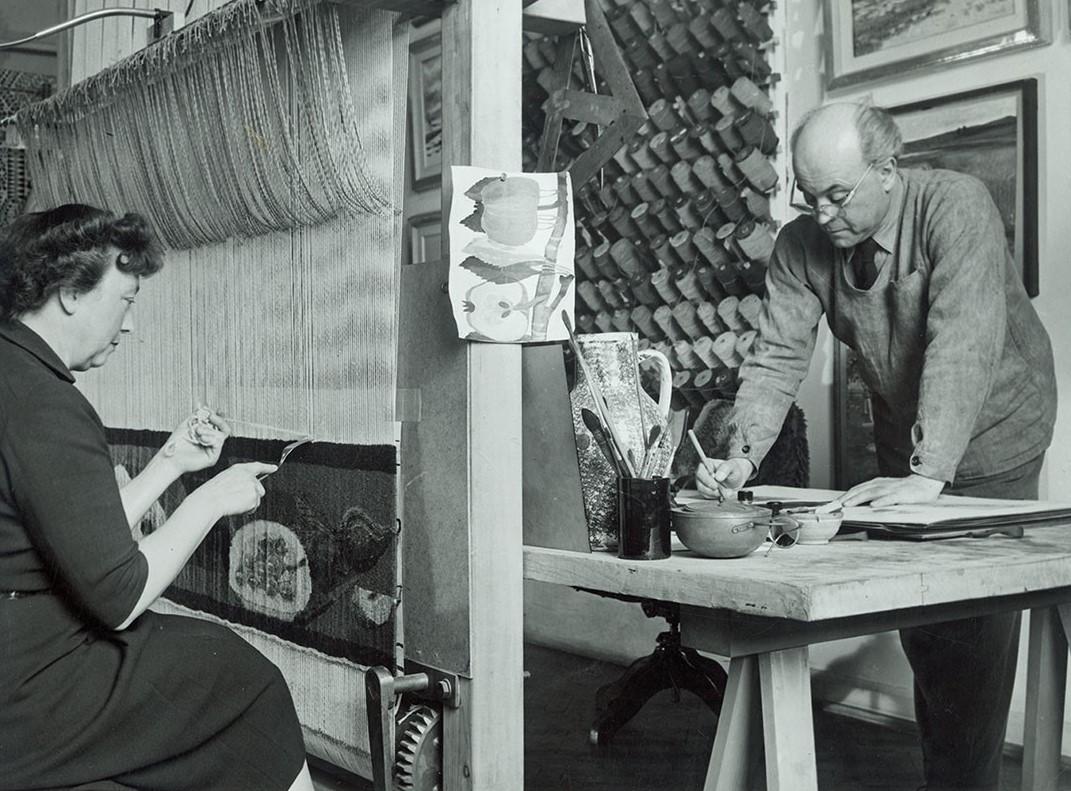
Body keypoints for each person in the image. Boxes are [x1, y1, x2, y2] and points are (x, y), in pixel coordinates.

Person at [695, 103, 1057, 791]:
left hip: (996, 429)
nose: (823, 213)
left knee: (972, 626)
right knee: (923, 621)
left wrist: (930, 473)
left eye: (838, 194)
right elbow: (776, 356)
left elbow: (962, 342)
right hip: (908, 438)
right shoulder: (800, 244)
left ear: (888, 170)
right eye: (809, 196)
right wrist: (740, 455)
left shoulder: (955, 204)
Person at [0, 204, 314, 791]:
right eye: (126, 301)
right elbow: (117, 598)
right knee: (245, 680)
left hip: (18, 655)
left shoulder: (14, 372)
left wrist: (171, 462)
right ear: (71, 293)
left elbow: (73, 538)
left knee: (207, 658)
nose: (129, 326)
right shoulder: (46, 404)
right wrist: (210, 499)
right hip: (28, 690)